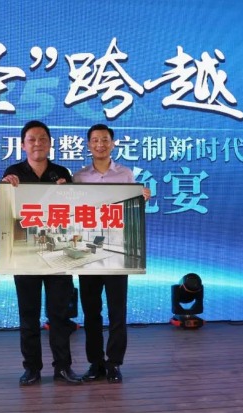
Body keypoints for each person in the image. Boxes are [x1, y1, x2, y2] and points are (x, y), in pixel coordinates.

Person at [0, 120, 82, 386]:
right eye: (32, 139)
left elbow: (76, 213)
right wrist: (3, 187)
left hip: (58, 253)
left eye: (43, 139)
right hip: (25, 253)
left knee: (60, 316)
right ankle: (31, 369)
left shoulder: (61, 172)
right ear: (23, 145)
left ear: (50, 143)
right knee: (28, 316)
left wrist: (69, 193)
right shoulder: (14, 172)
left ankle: (63, 367)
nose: (37, 143)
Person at [73, 124, 151, 384]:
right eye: (95, 140)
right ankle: (95, 363)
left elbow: (131, 209)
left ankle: (114, 363)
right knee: (91, 312)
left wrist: (141, 198)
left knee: (118, 311)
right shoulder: (79, 177)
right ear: (88, 145)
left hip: (118, 251)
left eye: (105, 140)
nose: (100, 144)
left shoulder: (125, 174)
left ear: (113, 144)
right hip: (88, 251)